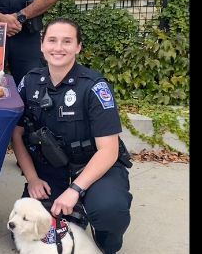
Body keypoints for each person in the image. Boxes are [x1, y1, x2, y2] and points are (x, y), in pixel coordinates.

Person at [12, 18, 132, 254]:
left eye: (67, 41)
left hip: (94, 168)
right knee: (27, 230)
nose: (58, 47)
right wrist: (33, 178)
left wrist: (75, 190)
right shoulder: (30, 82)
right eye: (52, 40)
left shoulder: (94, 87)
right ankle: (75, 217)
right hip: (50, 170)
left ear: (78, 47)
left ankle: (106, 242)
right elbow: (17, 136)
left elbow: (109, 150)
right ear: (42, 45)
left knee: (110, 211)